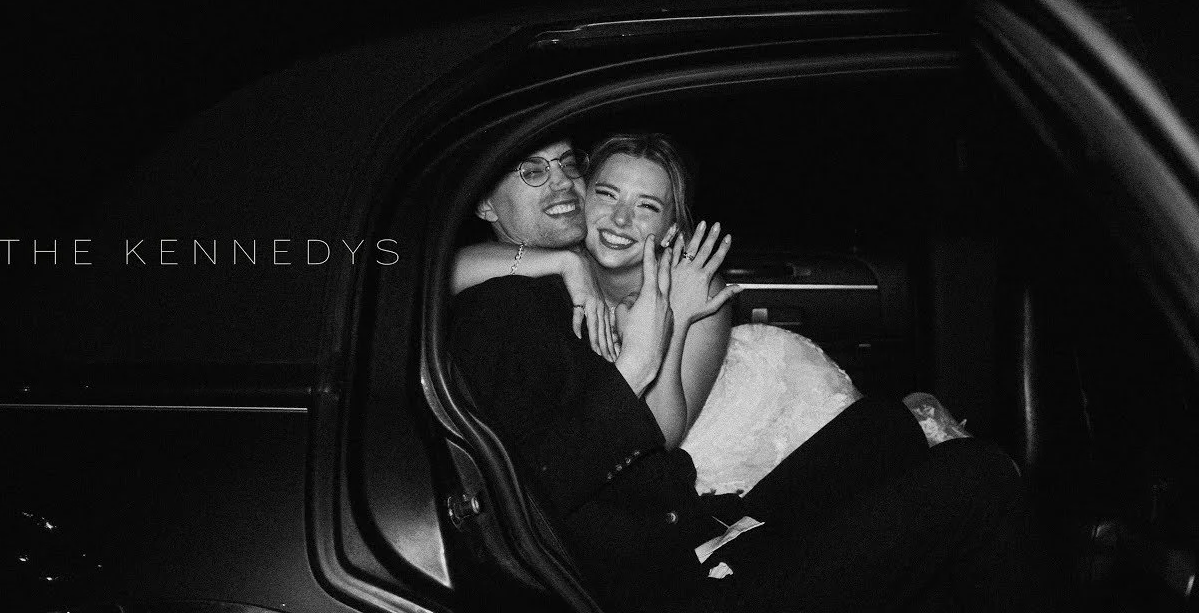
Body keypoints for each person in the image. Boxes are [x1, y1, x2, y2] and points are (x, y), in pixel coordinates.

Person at [448, 137, 1057, 612]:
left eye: (567, 167)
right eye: (533, 172)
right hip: (674, 591)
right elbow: (533, 490)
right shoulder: (505, 313)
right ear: (482, 203)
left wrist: (649, 309)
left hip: (689, 537)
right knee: (978, 476)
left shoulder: (547, 285)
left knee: (884, 426)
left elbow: (434, 261)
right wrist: (641, 355)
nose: (561, 184)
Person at [454, 132, 864, 495]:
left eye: (647, 206)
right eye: (607, 195)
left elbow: (662, 437)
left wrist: (676, 323)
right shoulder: (561, 259)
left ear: (669, 229)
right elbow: (446, 270)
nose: (620, 218)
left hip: (719, 425)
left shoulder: (695, 290)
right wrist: (567, 263)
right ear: (585, 200)